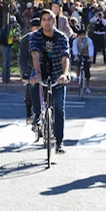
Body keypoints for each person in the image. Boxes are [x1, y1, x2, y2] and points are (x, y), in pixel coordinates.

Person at [29, 9, 71, 154]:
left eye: (50, 19)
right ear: (41, 22)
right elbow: (34, 54)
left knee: (59, 107)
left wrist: (64, 75)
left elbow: (65, 57)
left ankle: (59, 142)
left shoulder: (62, 38)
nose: (47, 22)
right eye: (44, 20)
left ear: (54, 21)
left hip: (57, 74)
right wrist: (38, 74)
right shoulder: (35, 36)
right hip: (41, 70)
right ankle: (37, 115)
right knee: (32, 82)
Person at [19, 17, 41, 121]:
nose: (37, 29)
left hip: (43, 66)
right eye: (35, 27)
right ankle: (29, 113)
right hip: (29, 66)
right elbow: (22, 58)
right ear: (31, 28)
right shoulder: (25, 40)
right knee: (30, 87)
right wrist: (25, 74)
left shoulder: (45, 38)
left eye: (39, 27)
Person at [0, 16, 19, 84]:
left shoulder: (6, 27)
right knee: (7, 62)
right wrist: (17, 40)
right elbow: (10, 40)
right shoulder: (9, 28)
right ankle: (6, 78)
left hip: (4, 46)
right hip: (6, 46)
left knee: (6, 62)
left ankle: (5, 78)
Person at [72, 28, 94, 93]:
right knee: (77, 63)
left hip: (87, 55)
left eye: (83, 35)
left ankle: (87, 87)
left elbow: (91, 49)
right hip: (79, 54)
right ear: (78, 36)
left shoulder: (89, 40)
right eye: (80, 35)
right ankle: (77, 76)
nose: (82, 37)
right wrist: (76, 56)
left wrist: (90, 58)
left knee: (87, 71)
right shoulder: (75, 41)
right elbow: (74, 49)